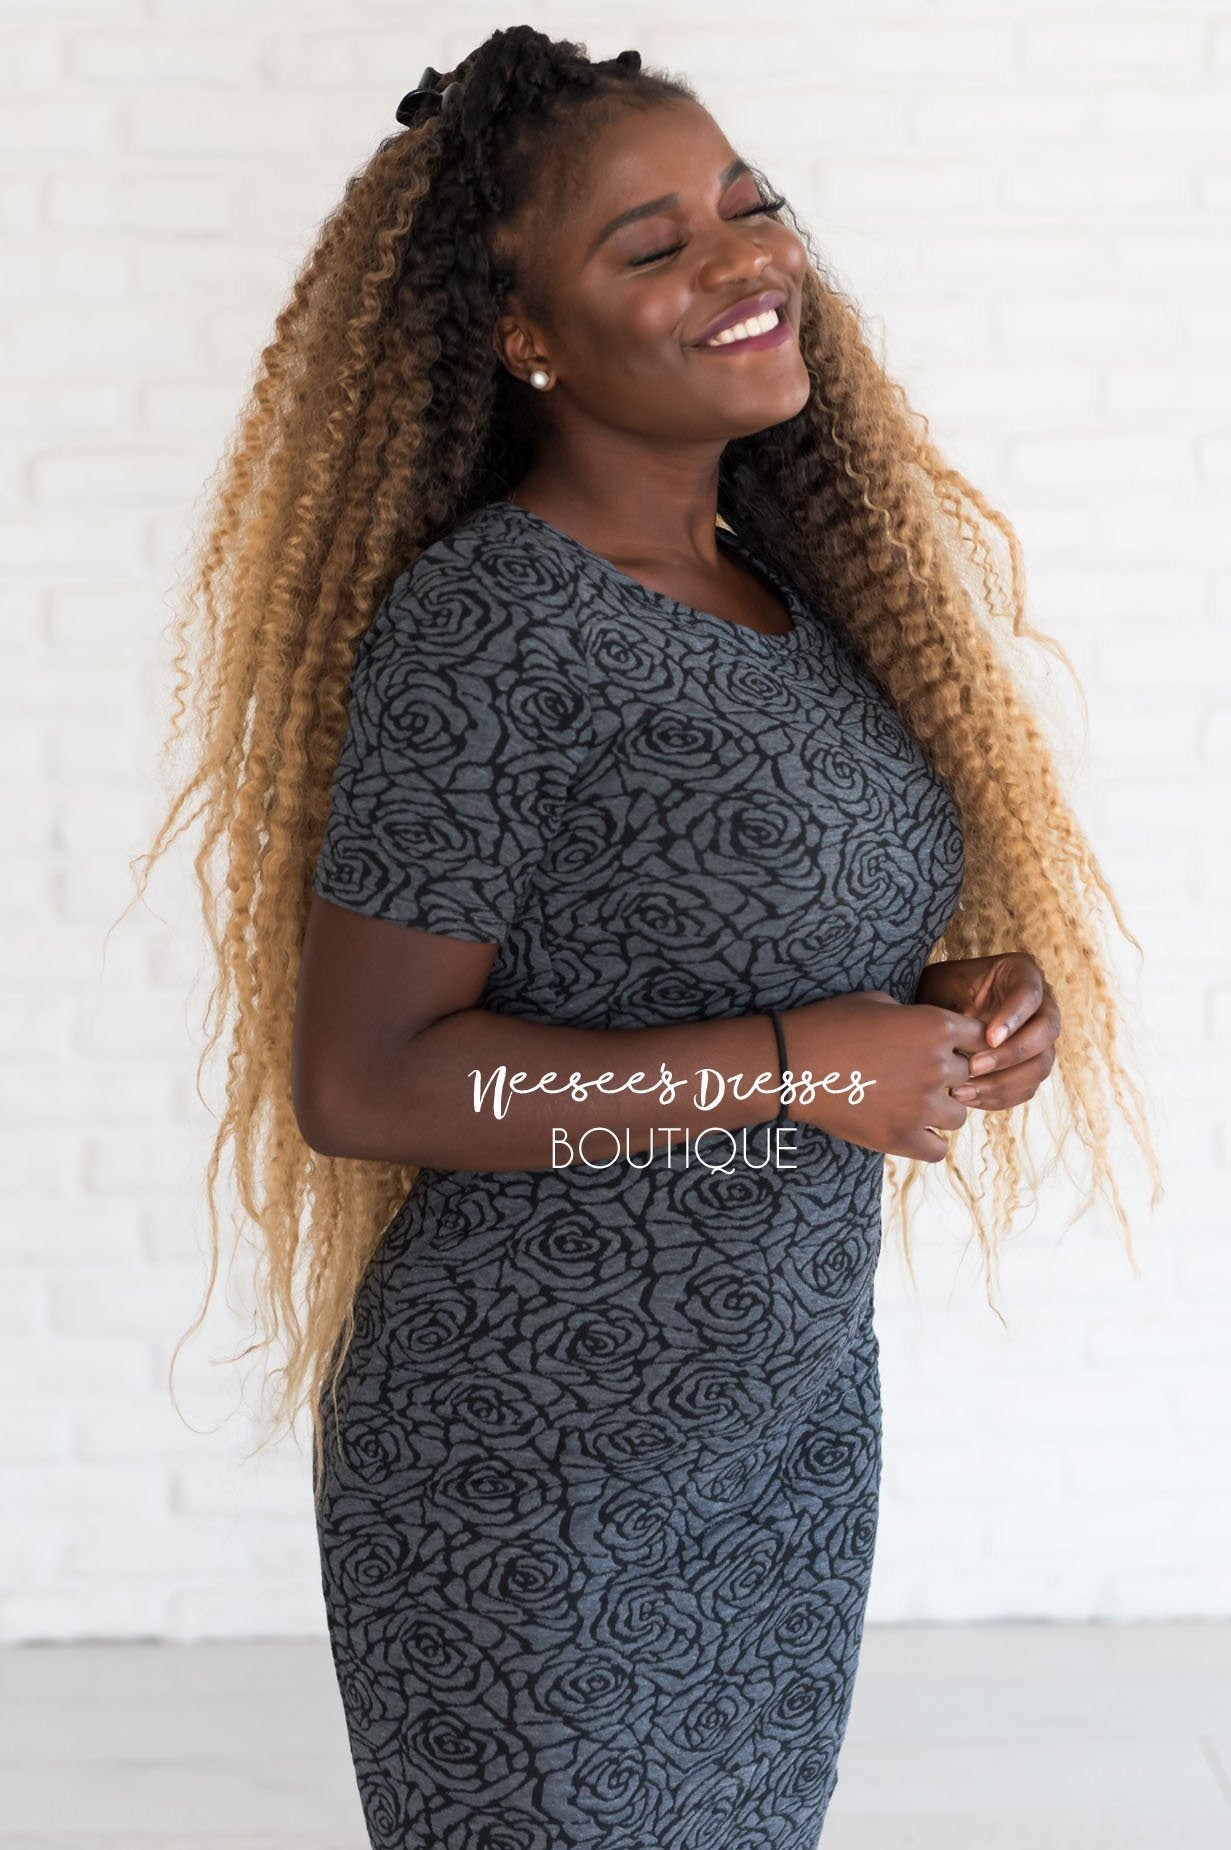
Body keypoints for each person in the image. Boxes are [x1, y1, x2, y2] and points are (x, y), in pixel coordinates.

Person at [129, 25, 1160, 1848]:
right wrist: (801, 1063)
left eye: (749, 204)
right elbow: (364, 1082)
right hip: (532, 1467)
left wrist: (961, 1009)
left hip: (776, 1439)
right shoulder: (492, 624)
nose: (746, 257)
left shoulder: (788, 592)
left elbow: (741, 954)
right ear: (526, 334)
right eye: (656, 243)